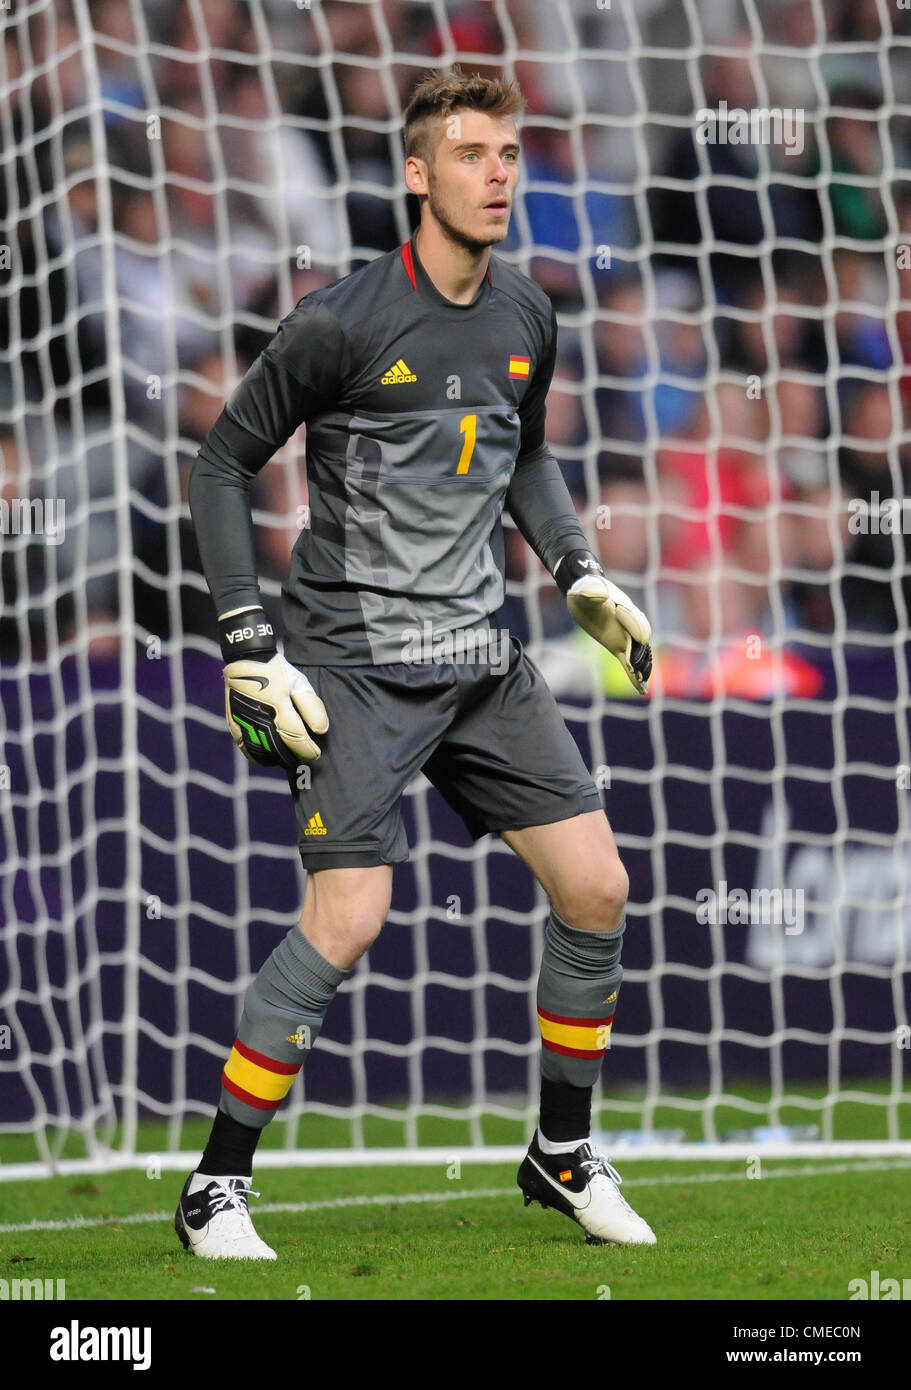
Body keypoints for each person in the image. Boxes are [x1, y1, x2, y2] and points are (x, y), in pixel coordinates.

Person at [177, 65, 656, 1260]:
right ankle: (214, 1187)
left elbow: (525, 451)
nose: (498, 175)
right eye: (471, 154)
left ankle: (558, 1152)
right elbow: (221, 467)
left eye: (507, 153)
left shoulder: (526, 313)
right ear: (415, 173)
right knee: (350, 914)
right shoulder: (339, 318)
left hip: (479, 655)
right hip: (350, 659)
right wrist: (246, 638)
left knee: (596, 885)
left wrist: (574, 567)